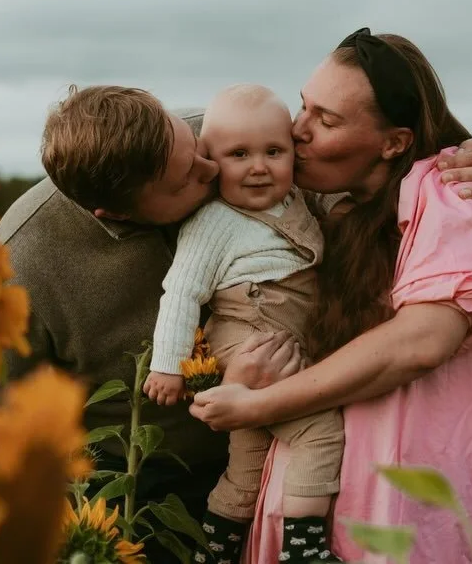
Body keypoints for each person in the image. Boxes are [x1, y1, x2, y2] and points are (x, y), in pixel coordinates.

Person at [0, 75, 472, 564]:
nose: (213, 170)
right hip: (134, 481)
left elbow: (357, 164)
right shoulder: (22, 264)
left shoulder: (222, 138)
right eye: (187, 179)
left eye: (201, 149)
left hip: (274, 441)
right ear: (117, 212)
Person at [189, 28, 472, 563]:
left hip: (409, 503)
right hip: (320, 496)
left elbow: (419, 342)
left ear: (393, 142)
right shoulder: (314, 202)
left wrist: (257, 405)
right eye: (303, 106)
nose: (297, 131)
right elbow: (179, 145)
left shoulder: (457, 198)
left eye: (325, 121)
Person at [144, 84, 344, 564]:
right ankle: (304, 548)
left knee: (247, 468)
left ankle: (212, 550)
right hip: (248, 341)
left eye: (273, 151)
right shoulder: (213, 222)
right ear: (211, 163)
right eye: (239, 154)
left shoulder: (298, 200)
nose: (259, 166)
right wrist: (168, 366)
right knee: (320, 431)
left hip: (282, 340)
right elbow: (182, 294)